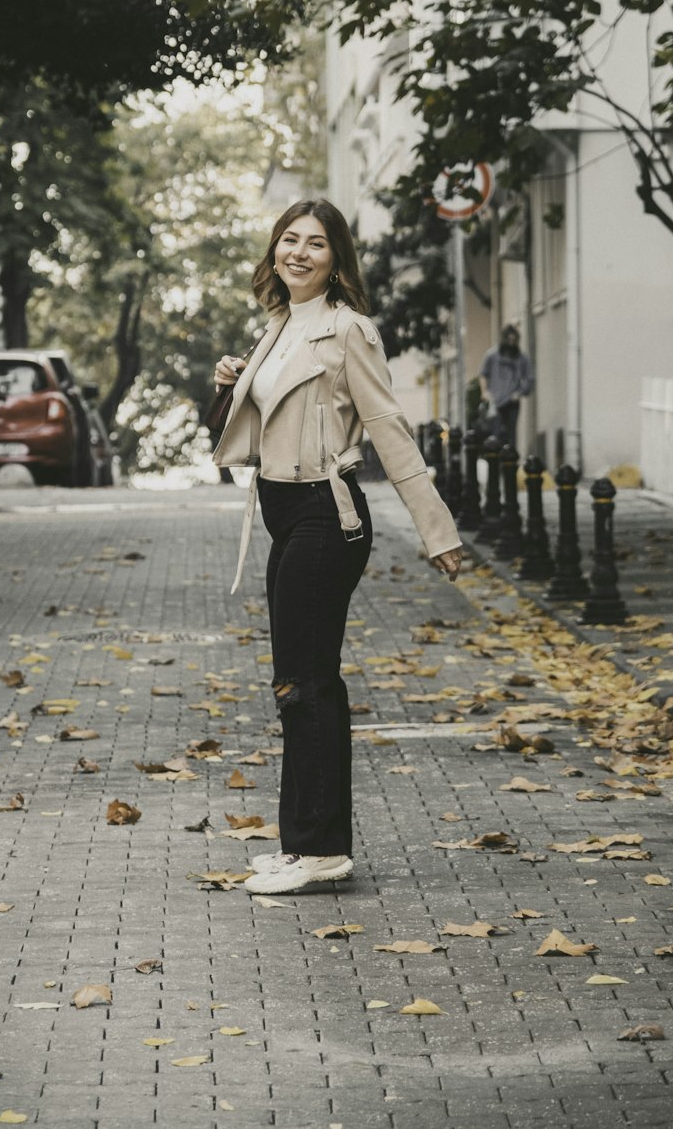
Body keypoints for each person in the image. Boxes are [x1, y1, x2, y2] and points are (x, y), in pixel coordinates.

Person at [211, 199, 463, 896]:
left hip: (330, 513)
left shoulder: (349, 330)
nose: (298, 252)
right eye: (288, 240)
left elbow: (389, 429)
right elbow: (242, 435)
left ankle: (322, 850)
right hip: (285, 512)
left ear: (335, 258)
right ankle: (302, 844)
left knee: (309, 681)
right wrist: (229, 385)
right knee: (294, 682)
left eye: (315, 244)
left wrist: (436, 530)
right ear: (274, 252)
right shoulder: (279, 328)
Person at [478, 325, 534, 449]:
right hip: (495, 402)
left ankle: (510, 462)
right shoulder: (492, 355)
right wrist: (484, 392)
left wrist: (519, 392)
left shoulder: (521, 358)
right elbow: (482, 374)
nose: (511, 343)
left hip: (512, 402)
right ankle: (497, 464)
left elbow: (529, 379)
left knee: (511, 436)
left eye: (514, 341)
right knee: (496, 435)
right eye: (509, 340)